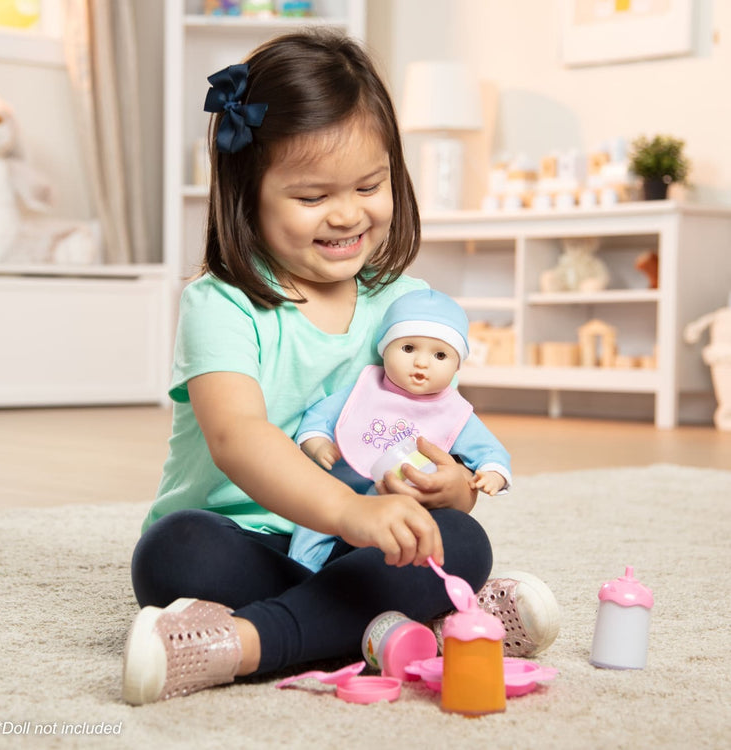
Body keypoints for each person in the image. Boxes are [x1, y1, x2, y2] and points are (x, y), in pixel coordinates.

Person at [122, 29, 556, 706]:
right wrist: (349, 511)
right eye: (312, 196)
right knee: (173, 556)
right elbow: (239, 439)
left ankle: (237, 645)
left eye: (370, 184)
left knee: (460, 538)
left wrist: (454, 487)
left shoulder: (407, 305)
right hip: (244, 539)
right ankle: (428, 621)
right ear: (249, 192)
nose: (348, 214)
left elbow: (431, 425)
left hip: (357, 546)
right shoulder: (220, 304)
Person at [289, 288, 511, 572]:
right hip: (337, 490)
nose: (421, 362)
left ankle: (353, 577)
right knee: (311, 521)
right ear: (385, 349)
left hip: (397, 502)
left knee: (421, 546)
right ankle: (299, 570)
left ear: (457, 366)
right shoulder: (366, 388)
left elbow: (489, 450)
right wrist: (317, 442)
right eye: (408, 348)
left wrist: (492, 473)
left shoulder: (453, 411)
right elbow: (320, 416)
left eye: (440, 355)